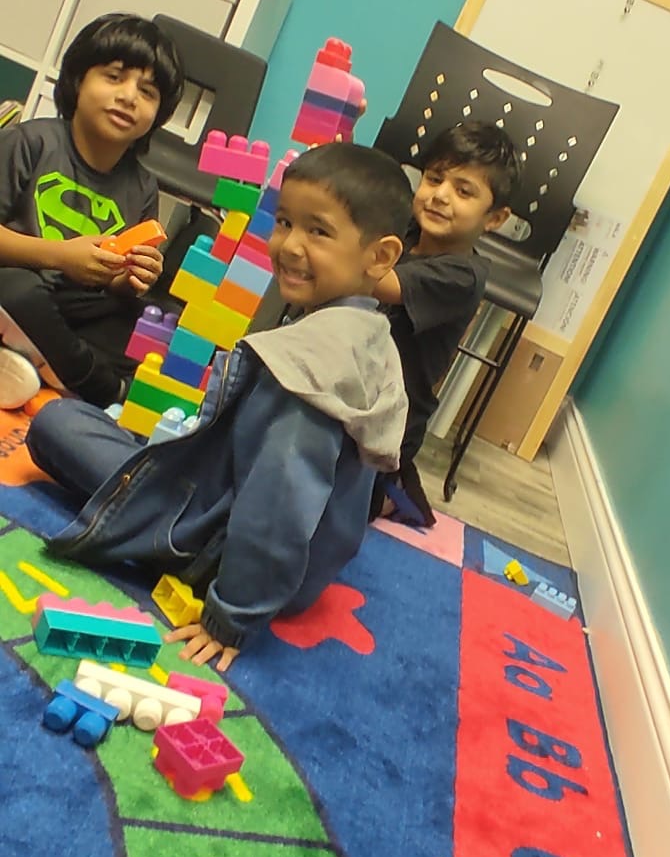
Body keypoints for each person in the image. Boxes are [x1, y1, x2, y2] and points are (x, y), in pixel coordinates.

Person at [26, 142, 412, 671]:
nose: (290, 246)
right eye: (285, 223)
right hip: (288, 550)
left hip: (221, 553)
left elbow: (278, 503)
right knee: (109, 432)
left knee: (55, 422)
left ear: (381, 257)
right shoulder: (368, 333)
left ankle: (186, 549)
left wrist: (231, 614)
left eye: (318, 232)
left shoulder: (312, 368)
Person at [0, 13, 183, 412]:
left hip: (73, 309)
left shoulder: (142, 185)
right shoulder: (30, 142)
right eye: (114, 77)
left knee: (158, 317)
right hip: (15, 290)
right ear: (78, 80)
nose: (129, 97)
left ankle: (32, 365)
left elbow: (115, 287)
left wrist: (130, 277)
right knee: (16, 289)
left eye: (148, 92)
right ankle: (103, 389)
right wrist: (61, 256)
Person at [371, 119, 521, 526]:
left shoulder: (462, 276)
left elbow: (375, 280)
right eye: (434, 178)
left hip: (388, 423)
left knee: (326, 500)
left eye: (463, 191)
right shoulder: (404, 230)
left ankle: (394, 492)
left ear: (495, 218)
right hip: (353, 385)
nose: (440, 195)